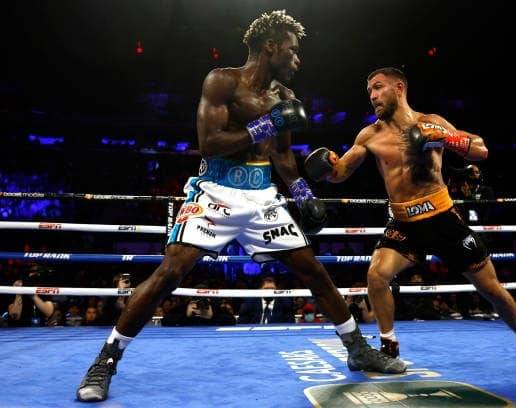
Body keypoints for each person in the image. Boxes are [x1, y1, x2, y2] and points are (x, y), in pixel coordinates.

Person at [76, 11, 405, 403]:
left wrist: (302, 193)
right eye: (292, 50)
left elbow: (282, 156)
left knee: (313, 270)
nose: (297, 59)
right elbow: (210, 143)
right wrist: (266, 124)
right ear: (271, 47)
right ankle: (106, 360)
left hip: (262, 195)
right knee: (170, 272)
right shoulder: (222, 81)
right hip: (216, 190)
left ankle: (356, 348)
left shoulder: (285, 97)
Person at [304, 67, 516, 363]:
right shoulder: (370, 135)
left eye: (378, 87)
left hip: (443, 219)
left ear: (399, 88)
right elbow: (340, 172)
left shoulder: (431, 122)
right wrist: (326, 166)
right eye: (369, 91)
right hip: (404, 223)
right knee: (376, 275)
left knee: (490, 288)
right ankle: (389, 346)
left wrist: (445, 138)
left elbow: (481, 150)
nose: (372, 96)